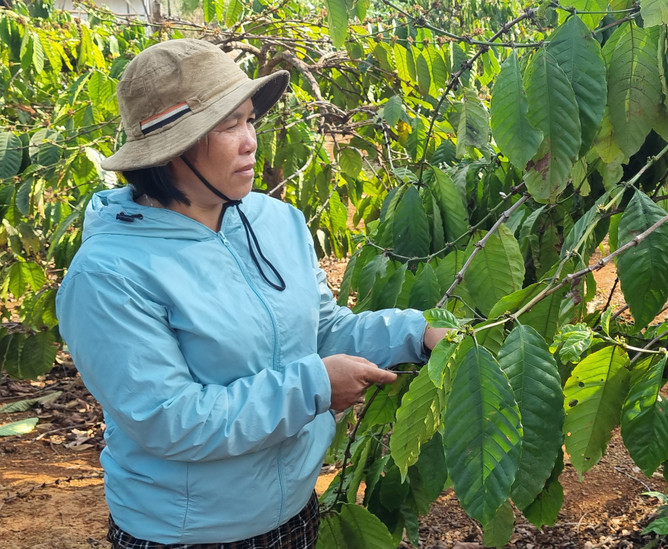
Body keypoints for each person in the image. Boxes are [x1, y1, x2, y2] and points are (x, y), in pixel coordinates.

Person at [55, 39, 448, 548]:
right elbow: (170, 420)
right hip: (187, 535)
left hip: (293, 512)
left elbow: (322, 329)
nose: (250, 142)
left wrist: (418, 333)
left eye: (249, 120)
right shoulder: (110, 273)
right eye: (227, 126)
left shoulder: (275, 220)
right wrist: (314, 387)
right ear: (172, 148)